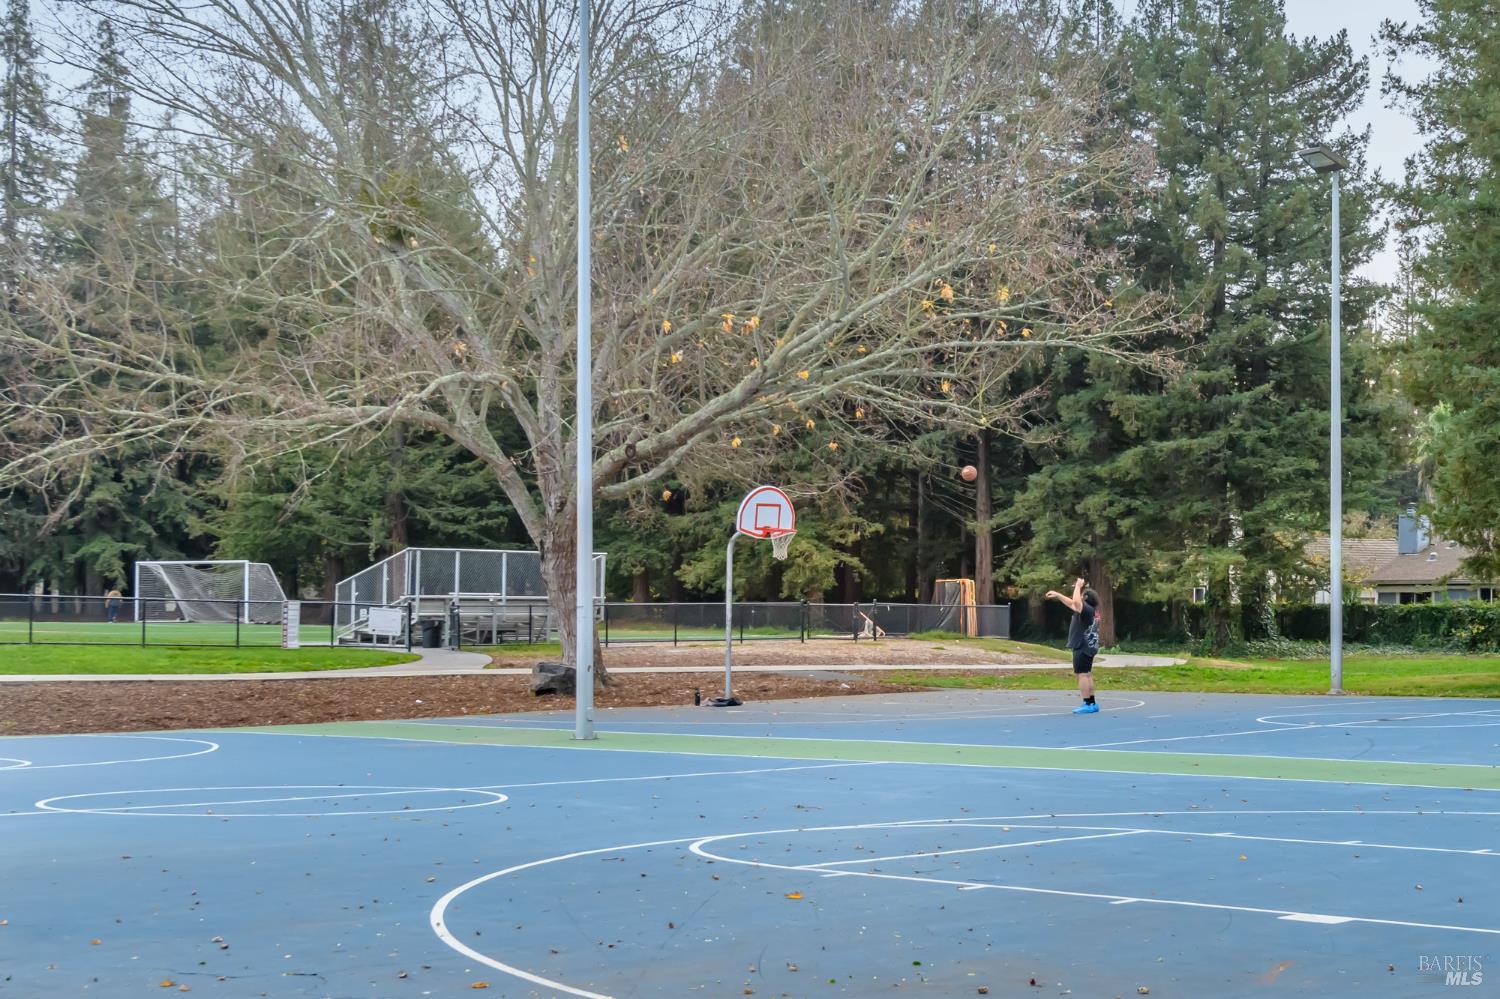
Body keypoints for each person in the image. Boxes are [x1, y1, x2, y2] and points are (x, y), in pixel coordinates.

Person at [1045, 577, 1101, 714]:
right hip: (1089, 646)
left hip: (1082, 646)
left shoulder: (1086, 609)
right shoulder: (1091, 611)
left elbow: (1076, 602)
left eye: (1082, 596)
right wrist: (1058, 595)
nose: (1079, 598)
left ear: (1085, 598)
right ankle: (1092, 703)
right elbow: (1072, 603)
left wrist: (1078, 586)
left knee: (1082, 675)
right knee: (1087, 674)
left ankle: (1087, 703)